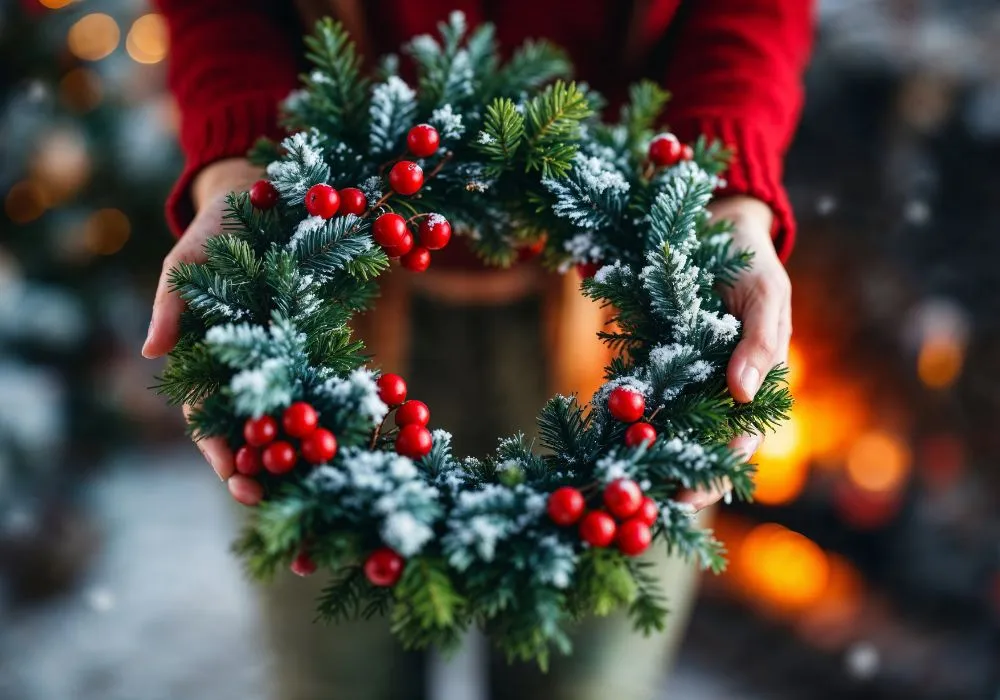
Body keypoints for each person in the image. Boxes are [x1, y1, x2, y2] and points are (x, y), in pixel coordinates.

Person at [143, 2, 813, 698]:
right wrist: (241, 174)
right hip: (330, 274)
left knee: (586, 680)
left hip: (612, 322)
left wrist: (722, 198)